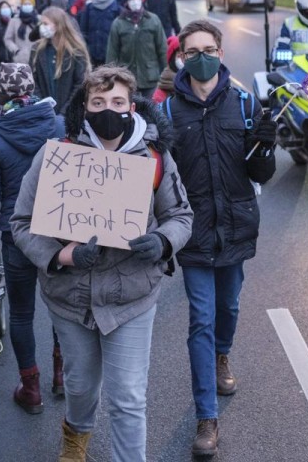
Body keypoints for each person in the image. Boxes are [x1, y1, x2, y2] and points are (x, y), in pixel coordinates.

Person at [11, 66, 193, 462]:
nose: (107, 109)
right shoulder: (55, 155)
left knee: (128, 396)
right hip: (70, 298)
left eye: (116, 102)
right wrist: (62, 256)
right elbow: (21, 223)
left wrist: (162, 242)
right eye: (98, 102)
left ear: (132, 106)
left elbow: (181, 216)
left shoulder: (155, 157)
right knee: (80, 388)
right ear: (84, 106)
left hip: (131, 297)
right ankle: (76, 434)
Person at [163, 20, 277, 457]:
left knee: (228, 307)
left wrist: (266, 145)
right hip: (192, 232)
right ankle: (206, 418)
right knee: (201, 321)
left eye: (208, 49)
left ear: (221, 52)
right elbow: (161, 179)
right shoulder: (169, 113)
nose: (201, 58)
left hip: (235, 226)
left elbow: (259, 173)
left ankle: (222, 356)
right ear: (181, 58)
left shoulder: (246, 104)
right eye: (192, 52)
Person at [0, 63, 66, 415]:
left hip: (16, 236)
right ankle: (62, 376)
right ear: (33, 88)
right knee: (62, 307)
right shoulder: (58, 126)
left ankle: (31, 389)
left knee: (22, 314)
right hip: (59, 233)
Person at [105, 0, 166, 99]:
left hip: (151, 77)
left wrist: (166, 75)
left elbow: (162, 49)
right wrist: (110, 78)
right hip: (127, 78)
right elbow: (112, 53)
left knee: (152, 112)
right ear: (125, 2)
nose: (135, 1)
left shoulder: (153, 20)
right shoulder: (118, 23)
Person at [30, 7, 90, 114]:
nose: (42, 27)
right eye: (41, 24)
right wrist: (42, 106)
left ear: (58, 25)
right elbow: (33, 80)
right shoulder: (37, 49)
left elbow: (80, 84)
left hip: (69, 114)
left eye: (45, 23)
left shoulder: (75, 51)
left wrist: (65, 112)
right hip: (44, 113)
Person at [79, 0, 121, 69]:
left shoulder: (116, 8)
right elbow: (83, 30)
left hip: (110, 54)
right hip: (92, 54)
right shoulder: (89, 8)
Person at [5, 0, 39, 67]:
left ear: (33, 6)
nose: (27, 6)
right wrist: (16, 50)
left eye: (29, 4)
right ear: (21, 6)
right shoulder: (14, 20)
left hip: (37, 58)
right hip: (20, 59)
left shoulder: (39, 20)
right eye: (25, 4)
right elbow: (7, 39)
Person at [152, 35, 181, 104]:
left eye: (189, 54)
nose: (184, 59)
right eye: (180, 55)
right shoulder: (161, 93)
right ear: (172, 59)